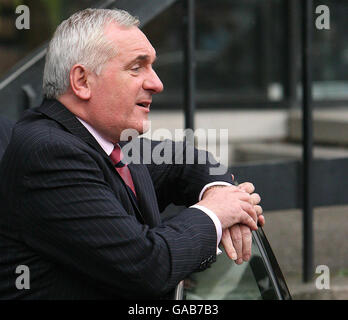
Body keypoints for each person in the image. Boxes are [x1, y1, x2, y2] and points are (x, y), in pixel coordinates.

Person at [0, 8, 264, 299]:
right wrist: (215, 213)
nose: (157, 83)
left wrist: (219, 189)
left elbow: (185, 161)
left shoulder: (105, 142)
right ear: (82, 81)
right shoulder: (49, 153)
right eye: (137, 68)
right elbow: (148, 267)